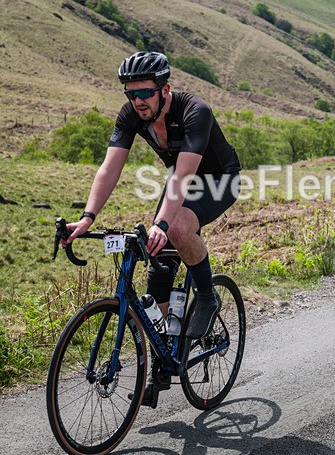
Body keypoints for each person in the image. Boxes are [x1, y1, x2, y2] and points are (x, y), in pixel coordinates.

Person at [62, 51, 241, 407]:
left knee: (173, 229)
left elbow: (186, 173)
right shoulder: (132, 115)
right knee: (156, 258)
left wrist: (161, 222)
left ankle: (206, 295)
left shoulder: (195, 111)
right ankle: (166, 352)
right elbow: (109, 168)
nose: (137, 101)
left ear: (165, 88)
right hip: (181, 182)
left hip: (218, 180)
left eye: (145, 92)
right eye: (131, 93)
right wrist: (87, 218)